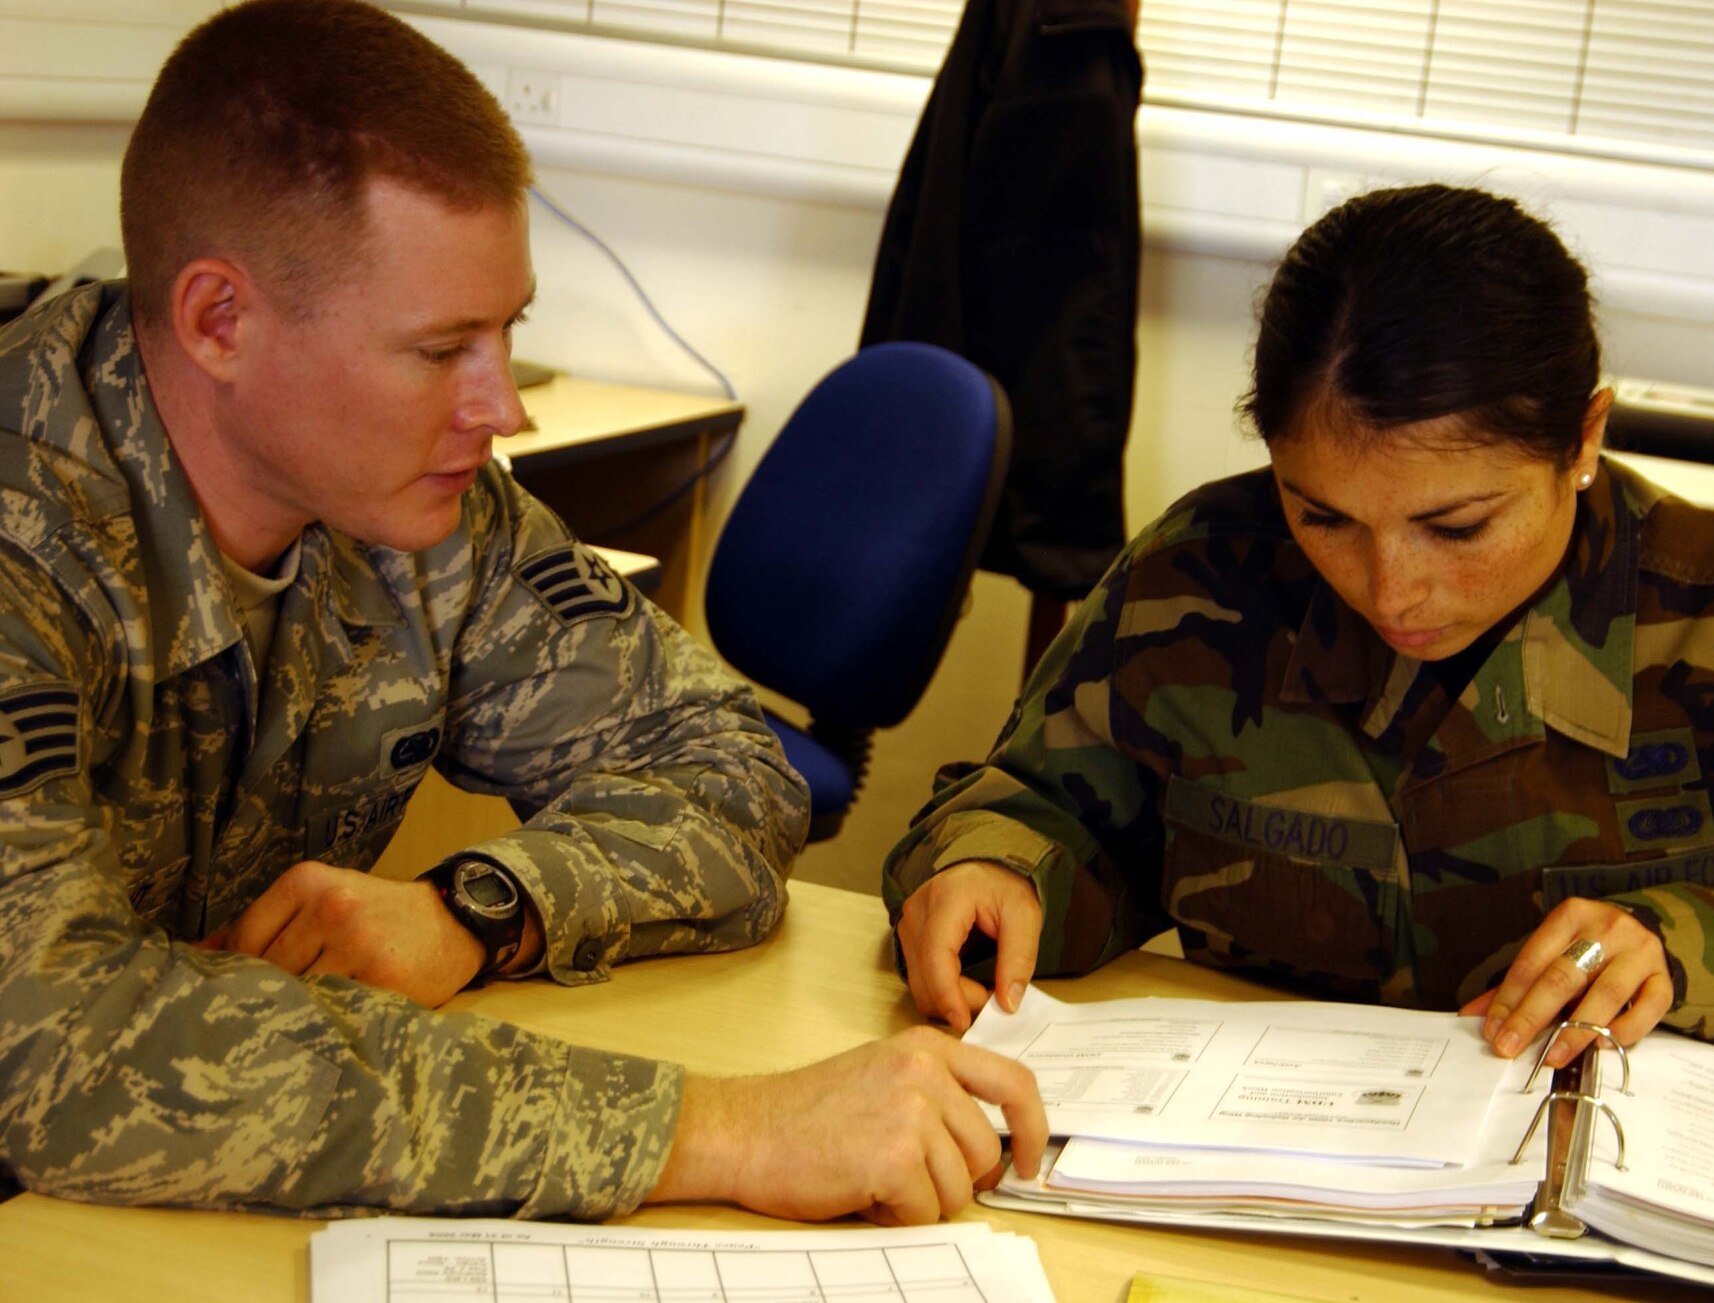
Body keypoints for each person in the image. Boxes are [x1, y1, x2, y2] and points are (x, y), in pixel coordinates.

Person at [0, 0, 1044, 1223]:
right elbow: (50, 1049)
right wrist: (715, 1130)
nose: (505, 409)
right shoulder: (30, 541)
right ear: (218, 320)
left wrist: (473, 911)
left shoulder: (411, 514)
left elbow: (728, 766)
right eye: (444, 349)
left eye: (511, 333)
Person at [885, 183, 1714, 1110]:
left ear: (1583, 440)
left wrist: (1705, 947)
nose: (1390, 588)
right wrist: (992, 866)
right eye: (1320, 514)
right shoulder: (1196, 581)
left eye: (1457, 526)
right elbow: (1043, 810)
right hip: (1243, 1185)